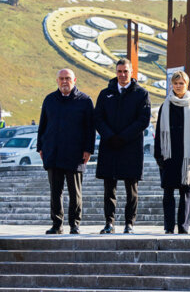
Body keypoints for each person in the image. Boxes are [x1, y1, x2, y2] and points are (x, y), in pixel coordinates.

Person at [93, 58, 151, 234]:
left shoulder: (141, 94)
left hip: (130, 147)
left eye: (125, 71)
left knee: (131, 189)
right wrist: (110, 136)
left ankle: (129, 224)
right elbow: (98, 118)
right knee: (109, 188)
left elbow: (143, 120)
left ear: (131, 72)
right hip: (109, 146)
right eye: (119, 71)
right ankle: (109, 223)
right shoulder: (105, 94)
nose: (122, 75)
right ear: (116, 72)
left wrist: (123, 137)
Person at [38, 68, 95, 234]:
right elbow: (43, 126)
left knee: (74, 192)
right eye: (61, 78)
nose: (64, 81)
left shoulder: (84, 101)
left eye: (68, 78)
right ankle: (57, 224)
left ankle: (74, 224)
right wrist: (40, 147)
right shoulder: (49, 100)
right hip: (53, 153)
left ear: (74, 80)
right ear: (57, 81)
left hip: (75, 154)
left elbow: (90, 129)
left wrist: (88, 149)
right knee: (55, 192)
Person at [154, 71, 190, 234]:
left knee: (185, 191)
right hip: (169, 154)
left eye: (181, 83)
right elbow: (159, 131)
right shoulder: (165, 105)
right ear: (171, 85)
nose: (178, 86)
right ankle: (169, 227)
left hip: (187, 154)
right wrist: (158, 154)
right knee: (168, 191)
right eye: (175, 83)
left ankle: (183, 227)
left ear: (186, 84)